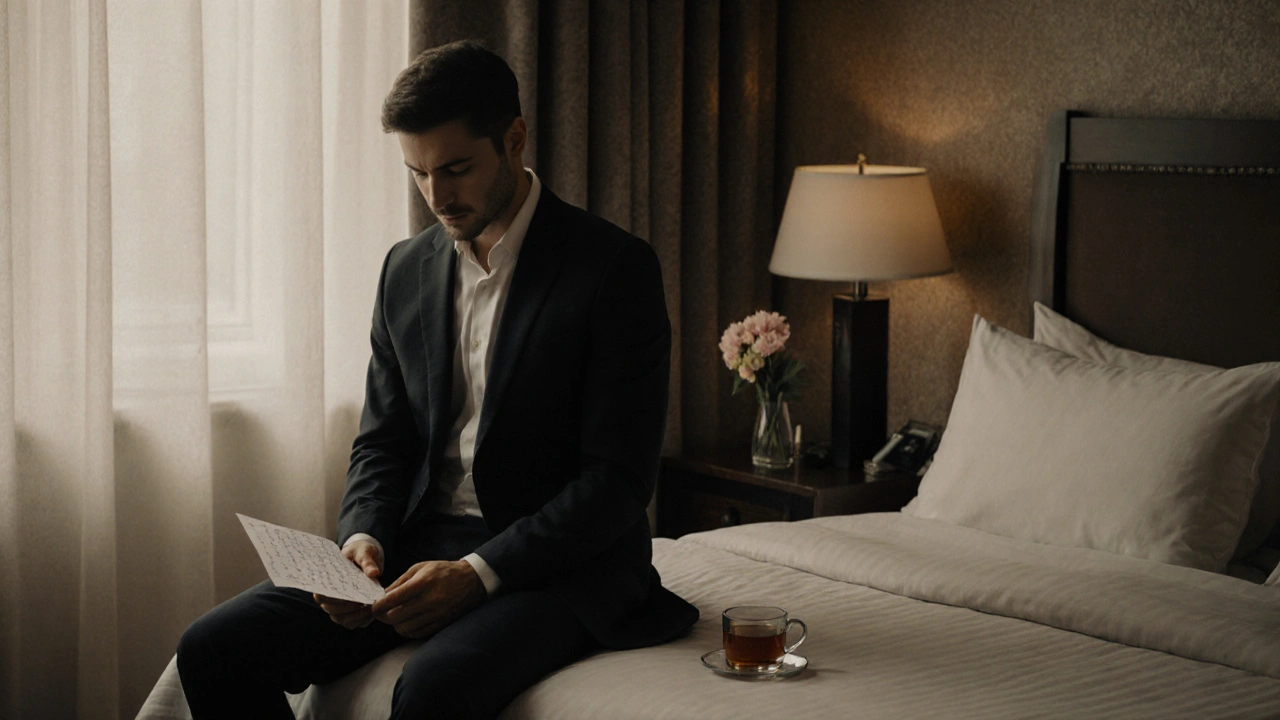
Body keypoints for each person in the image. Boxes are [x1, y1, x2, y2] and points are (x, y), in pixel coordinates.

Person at [176, 39, 698, 719]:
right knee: (212, 646)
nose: (436, 196)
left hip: (562, 566)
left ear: (514, 140)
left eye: (455, 169)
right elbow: (383, 442)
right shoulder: (405, 269)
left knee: (432, 688)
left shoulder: (611, 269)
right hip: (419, 546)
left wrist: (477, 577)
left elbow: (618, 483)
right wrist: (362, 543)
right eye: (417, 173)